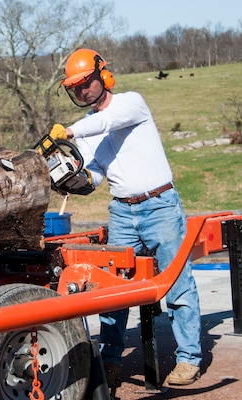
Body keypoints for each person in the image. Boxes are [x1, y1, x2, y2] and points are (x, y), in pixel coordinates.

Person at [49, 48, 202, 388]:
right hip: (122, 211)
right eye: (76, 87)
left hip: (159, 204)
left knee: (178, 282)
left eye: (86, 82)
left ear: (102, 75)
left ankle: (189, 358)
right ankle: (111, 362)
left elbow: (104, 122)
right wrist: (75, 179)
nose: (83, 90)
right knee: (112, 291)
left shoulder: (131, 103)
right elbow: (95, 174)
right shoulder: (89, 129)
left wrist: (69, 133)